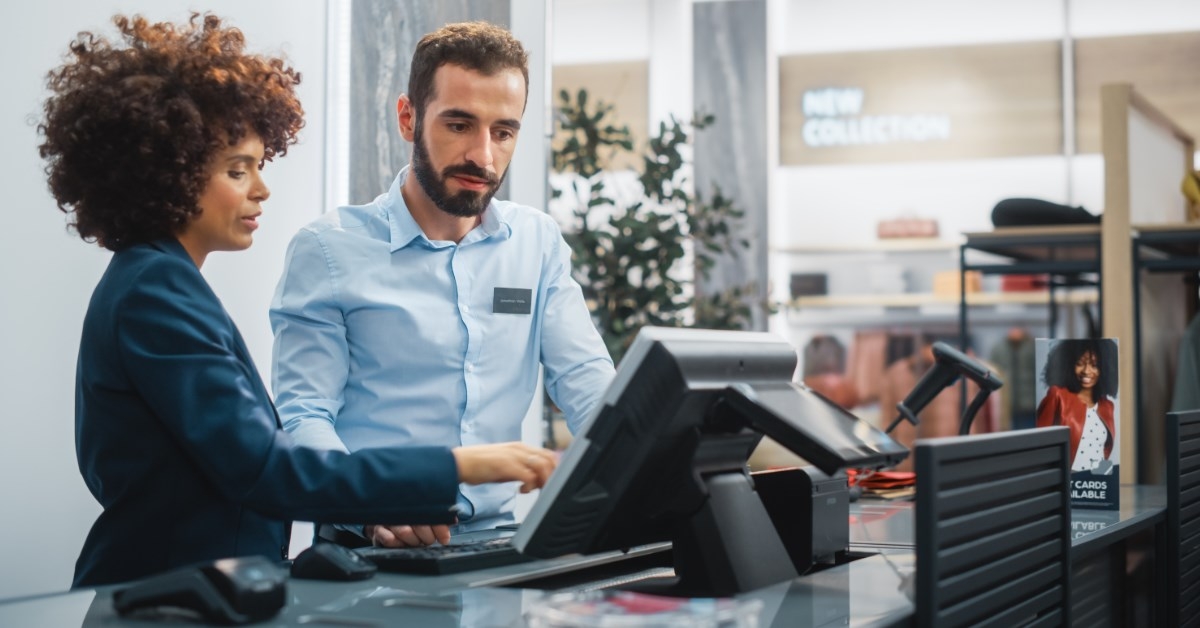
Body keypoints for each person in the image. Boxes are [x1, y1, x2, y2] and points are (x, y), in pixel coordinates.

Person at [39, 13, 557, 588]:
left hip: (201, 594)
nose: (261, 188)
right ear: (169, 172)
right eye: (238, 170)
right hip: (158, 599)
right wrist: (463, 464)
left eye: (259, 166)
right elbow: (270, 470)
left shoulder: (162, 282)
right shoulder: (153, 293)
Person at [270, 21, 614, 547]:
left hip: (501, 541)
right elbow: (304, 414)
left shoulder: (537, 243)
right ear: (408, 118)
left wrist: (646, 456)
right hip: (368, 544)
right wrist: (365, 505)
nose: (484, 156)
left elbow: (587, 381)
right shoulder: (327, 249)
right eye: (459, 125)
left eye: (503, 131)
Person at [1036, 339, 1119, 474]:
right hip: (1068, 479)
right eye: (1079, 364)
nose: (1086, 371)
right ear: (1069, 365)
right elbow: (1039, 444)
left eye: (1095, 365)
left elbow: (1103, 450)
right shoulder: (1057, 395)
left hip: (1097, 479)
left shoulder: (1107, 406)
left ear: (1105, 369)